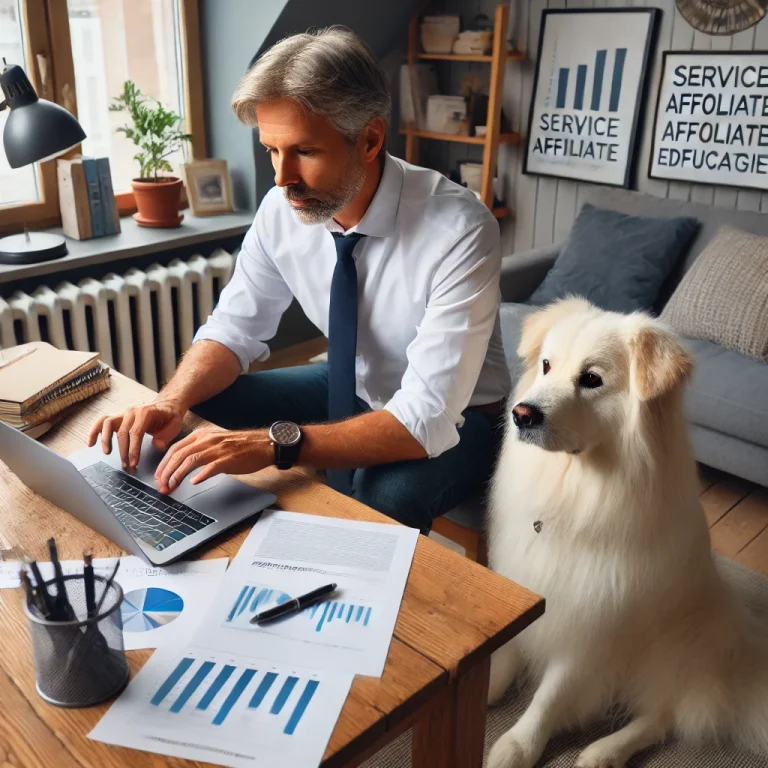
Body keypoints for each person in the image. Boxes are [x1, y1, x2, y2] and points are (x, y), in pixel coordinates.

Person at [87, 26, 511, 533]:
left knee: (381, 499)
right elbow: (233, 329)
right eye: (271, 150)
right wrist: (168, 401)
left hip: (463, 418)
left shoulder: (460, 229)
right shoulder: (280, 210)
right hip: (351, 383)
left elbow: (425, 419)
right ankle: (194, 545)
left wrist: (274, 444)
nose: (281, 176)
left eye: (304, 152)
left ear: (370, 139)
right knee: (198, 408)